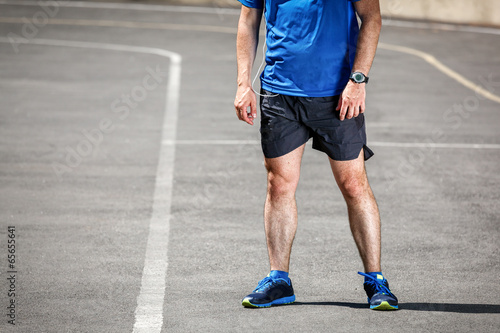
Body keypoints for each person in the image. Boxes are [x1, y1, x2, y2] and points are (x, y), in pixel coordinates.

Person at [233, 0, 398, 310]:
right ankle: (279, 279)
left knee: (353, 184)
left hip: (338, 95)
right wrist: (244, 83)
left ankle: (376, 280)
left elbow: (371, 19)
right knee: (279, 184)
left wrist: (358, 79)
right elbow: (248, 20)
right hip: (280, 94)